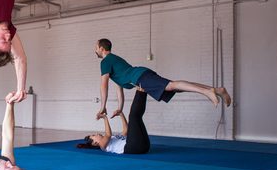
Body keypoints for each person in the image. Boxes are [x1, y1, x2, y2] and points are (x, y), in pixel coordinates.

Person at [95, 38, 232, 119]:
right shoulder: (115, 60)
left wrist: (102, 107)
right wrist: (120, 108)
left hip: (140, 77)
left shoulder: (105, 61)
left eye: (96, 48)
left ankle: (208, 92)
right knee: (175, 87)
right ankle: (217, 90)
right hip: (141, 74)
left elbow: (103, 85)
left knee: (172, 85)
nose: (95, 51)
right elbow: (120, 88)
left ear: (101, 49)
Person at [78, 89, 150, 154]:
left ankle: (142, 90)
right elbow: (108, 135)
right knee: (133, 116)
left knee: (137, 118)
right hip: (133, 148)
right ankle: (141, 90)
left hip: (144, 146)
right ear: (95, 143)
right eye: (94, 135)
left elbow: (126, 131)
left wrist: (121, 115)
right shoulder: (102, 146)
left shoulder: (113, 138)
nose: (96, 133)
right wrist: (105, 118)